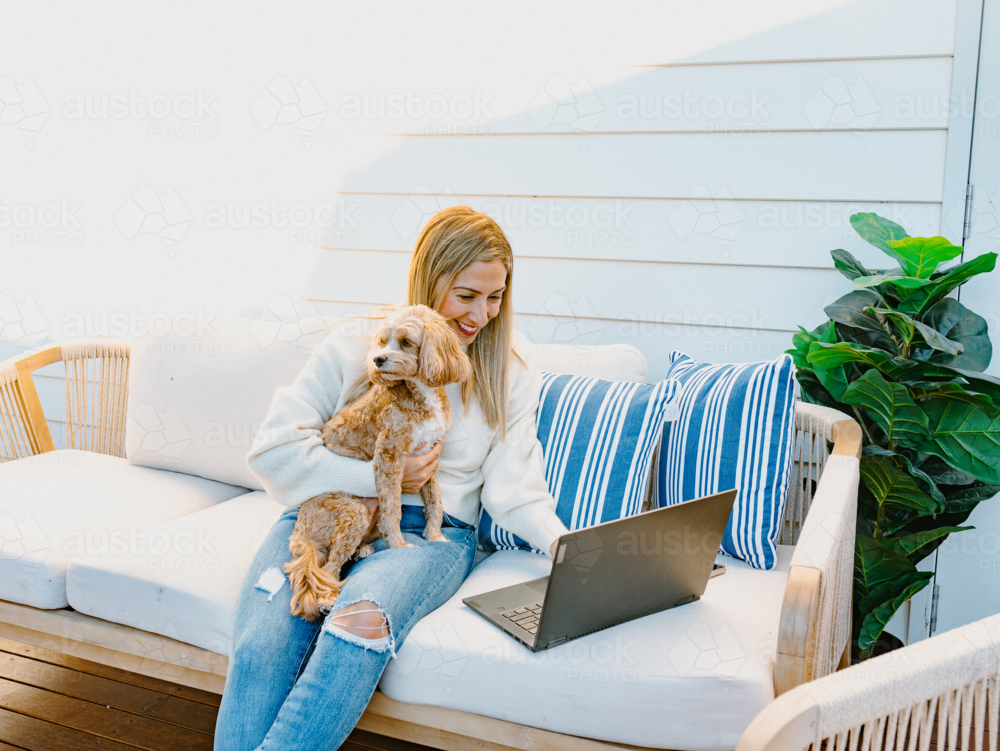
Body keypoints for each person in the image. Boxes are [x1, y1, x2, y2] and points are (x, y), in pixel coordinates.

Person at [214, 205, 569, 751]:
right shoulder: (363, 342)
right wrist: (377, 476)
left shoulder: (511, 367)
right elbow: (273, 450)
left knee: (356, 626)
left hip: (434, 532)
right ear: (430, 279)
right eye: (466, 296)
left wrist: (564, 546)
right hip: (328, 510)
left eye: (495, 296)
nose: (482, 315)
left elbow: (512, 483)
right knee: (262, 644)